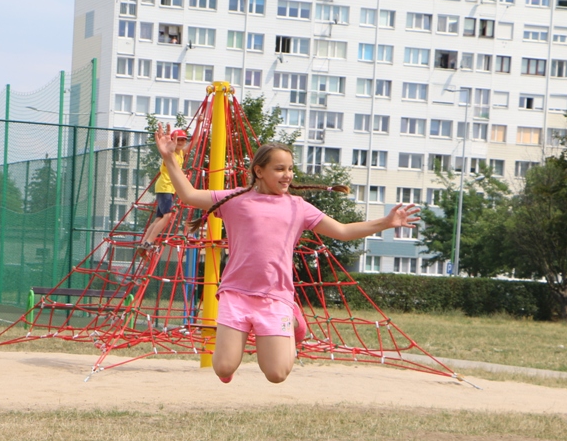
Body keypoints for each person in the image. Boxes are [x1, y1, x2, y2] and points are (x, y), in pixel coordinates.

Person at [155, 124, 420, 384]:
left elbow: (342, 230)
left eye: (290, 169)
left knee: (276, 374)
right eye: (280, 169)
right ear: (259, 171)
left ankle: (294, 323)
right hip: (236, 294)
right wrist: (169, 158)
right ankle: (230, 360)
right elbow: (188, 195)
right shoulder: (236, 200)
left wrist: (385, 223)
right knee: (223, 367)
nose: (287, 175)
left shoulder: (298, 207)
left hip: (275, 297)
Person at [138, 128, 188, 256]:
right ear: (172, 141)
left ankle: (144, 243)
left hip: (167, 188)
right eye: (178, 140)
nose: (181, 142)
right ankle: (149, 242)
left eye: (183, 140)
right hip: (165, 187)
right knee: (167, 216)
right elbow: (166, 154)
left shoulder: (181, 153)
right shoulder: (170, 155)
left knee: (159, 218)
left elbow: (195, 143)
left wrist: (199, 124)